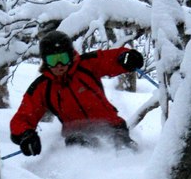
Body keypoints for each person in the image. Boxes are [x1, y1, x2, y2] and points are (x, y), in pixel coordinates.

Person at [10, 31, 144, 155]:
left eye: (63, 58)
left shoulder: (86, 65)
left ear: (70, 56)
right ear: (45, 61)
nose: (59, 65)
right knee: (82, 148)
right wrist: (26, 135)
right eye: (53, 60)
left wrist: (126, 57)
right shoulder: (42, 87)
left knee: (124, 151)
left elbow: (109, 59)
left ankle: (137, 164)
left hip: (111, 126)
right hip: (77, 135)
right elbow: (23, 117)